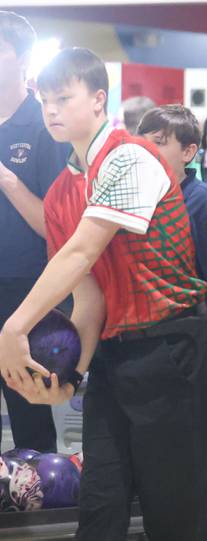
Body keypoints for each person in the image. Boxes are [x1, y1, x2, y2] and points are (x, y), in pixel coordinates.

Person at [0, 47, 207, 540]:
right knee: (100, 506)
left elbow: (81, 251)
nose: (51, 109)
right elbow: (89, 299)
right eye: (44, 99)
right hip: (115, 357)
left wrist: (15, 325)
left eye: (64, 98)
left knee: (174, 510)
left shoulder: (129, 157)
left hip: (172, 345)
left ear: (99, 99)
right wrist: (71, 375)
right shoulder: (59, 193)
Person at [137, 104, 207, 413]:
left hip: (187, 353)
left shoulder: (206, 202)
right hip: (141, 354)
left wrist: (206, 354)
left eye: (158, 142)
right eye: (143, 142)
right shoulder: (137, 200)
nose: (147, 151)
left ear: (188, 152)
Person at [0, 11, 68, 453]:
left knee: (29, 415)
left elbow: (56, 228)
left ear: (22, 59)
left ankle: (40, 511)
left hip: (26, 292)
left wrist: (8, 181)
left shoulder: (46, 127)